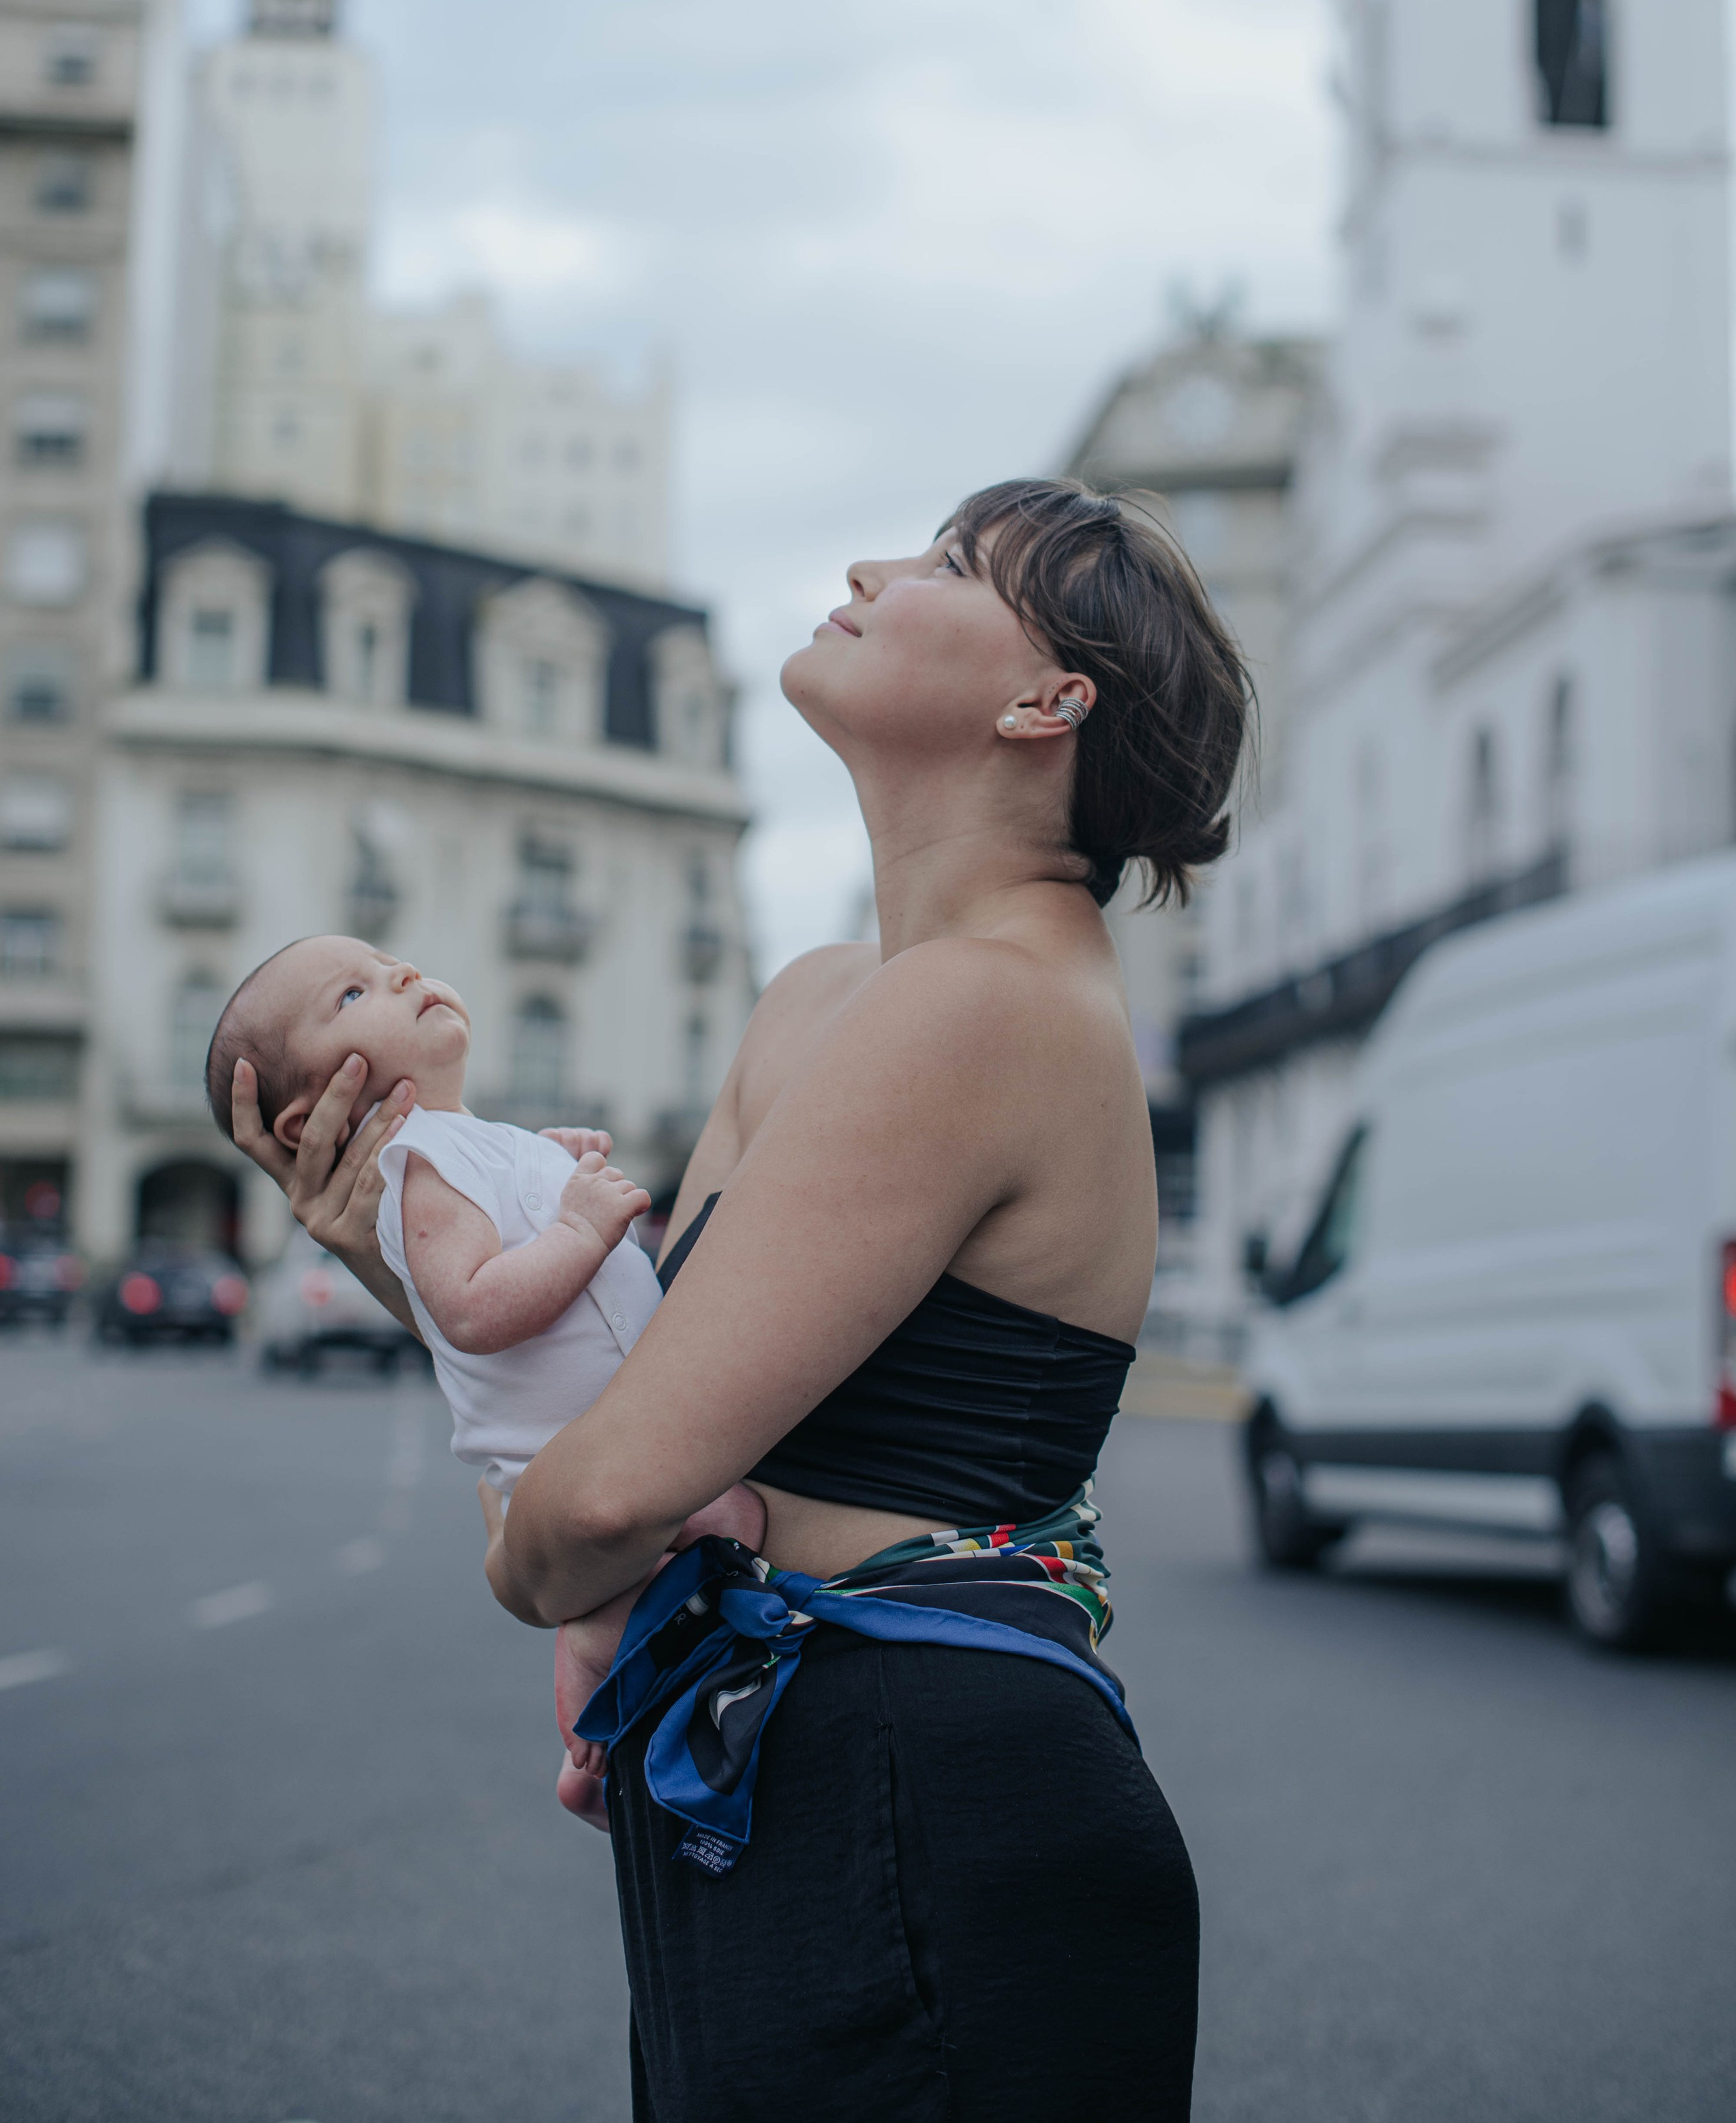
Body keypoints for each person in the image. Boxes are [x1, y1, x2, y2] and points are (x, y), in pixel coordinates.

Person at [234, 477, 1249, 2122]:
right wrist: (396, 1240)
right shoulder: (819, 993)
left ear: (1040, 702)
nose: (865, 566)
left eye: (943, 564)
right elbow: (627, 1358)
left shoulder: (980, 1003)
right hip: (786, 1780)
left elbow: (614, 1485)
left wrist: (536, 1555)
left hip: (928, 1802)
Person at [209, 935, 765, 1804]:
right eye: (351, 995)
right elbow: (468, 1310)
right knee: (709, 1544)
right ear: (312, 1112)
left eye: (390, 962)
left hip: (624, 1436)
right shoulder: (422, 1166)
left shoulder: (475, 1143)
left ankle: (629, 1727)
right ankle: (605, 1716)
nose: (400, 973)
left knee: (722, 1543)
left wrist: (555, 1165)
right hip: (573, 1455)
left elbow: (506, 1224)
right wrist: (579, 1229)